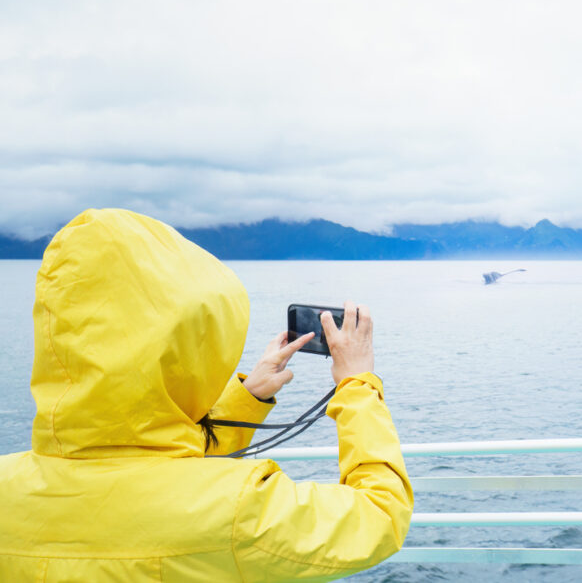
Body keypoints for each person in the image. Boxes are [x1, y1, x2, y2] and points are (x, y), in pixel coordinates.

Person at [0, 208, 413, 581]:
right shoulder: (238, 512)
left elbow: (141, 460)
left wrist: (246, 400)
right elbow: (379, 516)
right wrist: (357, 384)